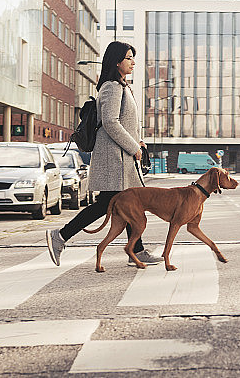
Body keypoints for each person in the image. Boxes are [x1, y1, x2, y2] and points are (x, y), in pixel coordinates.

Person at [46, 41, 163, 267]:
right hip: (114, 159)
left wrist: (137, 140)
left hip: (121, 157)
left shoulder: (121, 86)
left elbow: (121, 122)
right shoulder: (111, 86)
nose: (133, 62)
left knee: (128, 203)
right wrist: (134, 147)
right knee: (107, 205)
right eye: (129, 58)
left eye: (133, 58)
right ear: (116, 61)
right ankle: (60, 236)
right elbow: (110, 121)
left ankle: (136, 251)